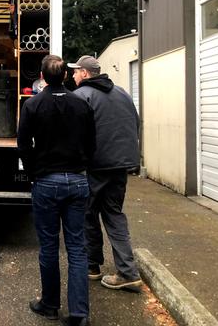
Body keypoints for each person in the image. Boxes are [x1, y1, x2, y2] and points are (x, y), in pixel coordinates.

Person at [17, 55, 95, 326]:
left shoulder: (33, 104)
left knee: (48, 246)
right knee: (76, 247)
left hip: (46, 181)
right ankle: (79, 313)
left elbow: (23, 144)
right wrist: (82, 164)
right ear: (64, 76)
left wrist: (32, 172)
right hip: (76, 180)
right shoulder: (81, 103)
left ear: (41, 76)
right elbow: (91, 142)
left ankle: (49, 305)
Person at [70, 55, 143, 292]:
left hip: (95, 166)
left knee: (87, 213)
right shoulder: (122, 93)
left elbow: (76, 134)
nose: (72, 75)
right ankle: (127, 272)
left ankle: (92, 266)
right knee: (113, 213)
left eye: (75, 72)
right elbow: (136, 122)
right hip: (121, 165)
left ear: (85, 73)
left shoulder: (82, 96)